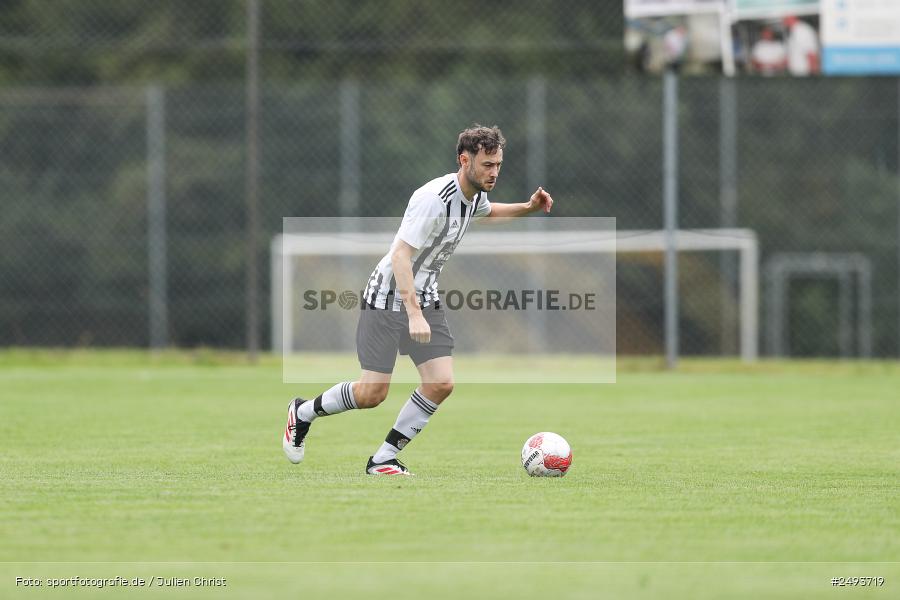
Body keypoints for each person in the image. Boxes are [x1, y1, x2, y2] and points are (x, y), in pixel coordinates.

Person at [282, 124, 554, 475]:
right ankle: (302, 412)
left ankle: (383, 459)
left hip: (425, 297)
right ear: (464, 160)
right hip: (386, 297)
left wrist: (528, 207)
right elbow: (400, 256)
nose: (494, 172)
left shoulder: (474, 195)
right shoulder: (433, 199)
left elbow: (488, 212)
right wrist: (413, 314)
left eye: (498, 164)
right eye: (487, 165)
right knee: (371, 394)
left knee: (441, 382)